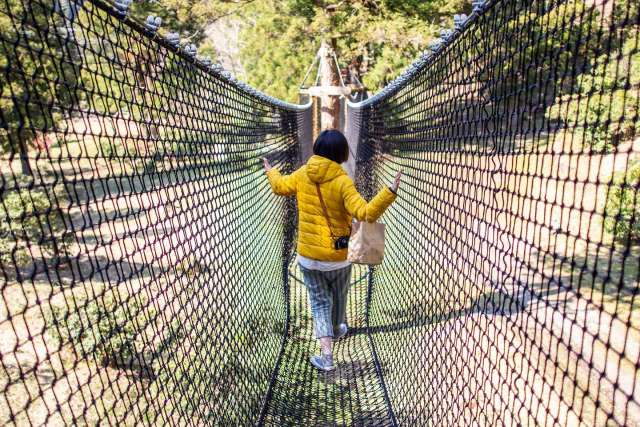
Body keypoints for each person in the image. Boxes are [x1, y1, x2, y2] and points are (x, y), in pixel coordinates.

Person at [263, 129, 401, 372]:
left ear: (317, 149)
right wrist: (389, 191)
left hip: (307, 257)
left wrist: (270, 171)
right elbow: (366, 213)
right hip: (338, 257)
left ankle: (326, 356)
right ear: (341, 153)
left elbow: (280, 187)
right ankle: (337, 328)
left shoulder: (303, 173)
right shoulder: (342, 181)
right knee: (339, 294)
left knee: (319, 303)